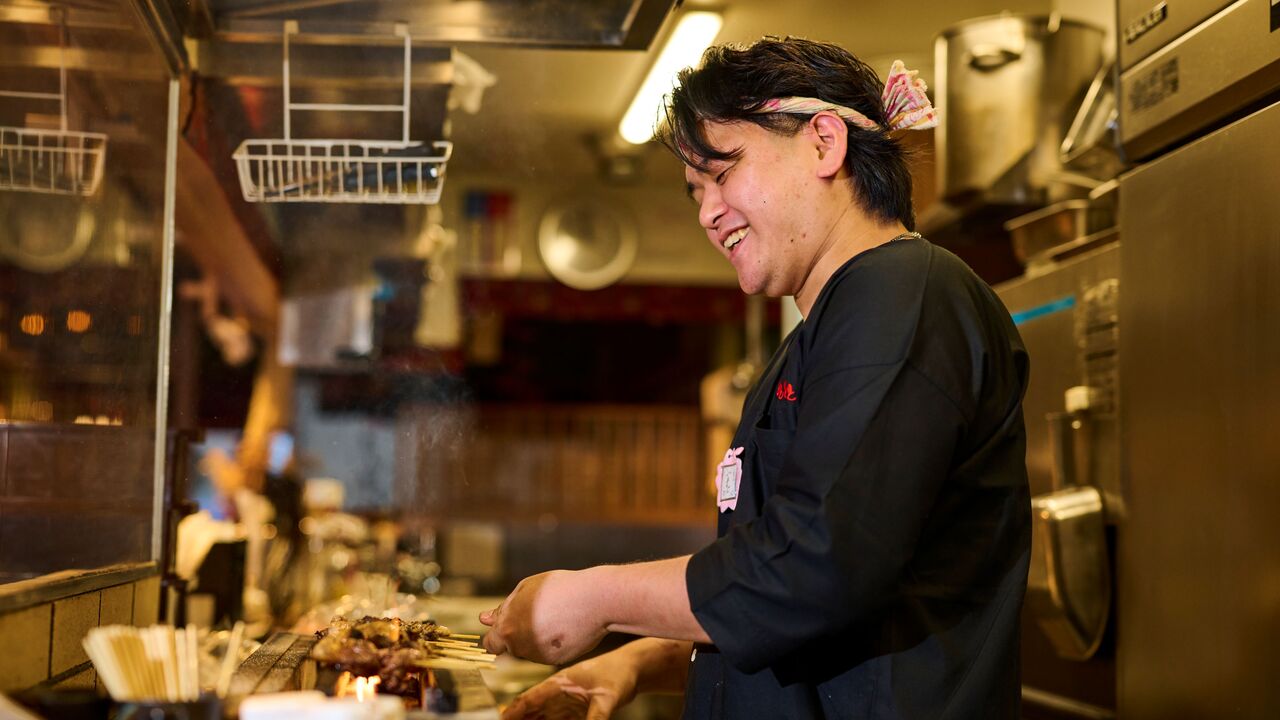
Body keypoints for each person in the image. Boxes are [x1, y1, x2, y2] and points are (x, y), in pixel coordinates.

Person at [480, 37, 1031, 719]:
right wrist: (634, 662)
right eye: (695, 192)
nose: (708, 212)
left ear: (824, 144)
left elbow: (811, 569)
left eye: (723, 171)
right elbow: (795, 611)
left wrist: (593, 596)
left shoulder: (905, 292)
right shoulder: (819, 335)